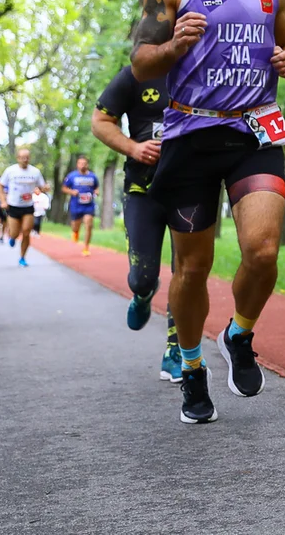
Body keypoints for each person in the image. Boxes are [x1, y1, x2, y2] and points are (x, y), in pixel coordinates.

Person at [130, 0, 285, 424]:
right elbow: (141, 62)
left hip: (255, 133)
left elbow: (284, 42)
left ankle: (240, 334)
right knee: (194, 267)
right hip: (191, 136)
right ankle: (194, 367)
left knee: (264, 251)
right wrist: (175, 44)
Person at [92, 65, 183, 383]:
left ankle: (176, 352)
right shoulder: (136, 72)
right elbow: (100, 121)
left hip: (190, 190)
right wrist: (134, 147)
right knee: (141, 277)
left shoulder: (203, 67)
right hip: (142, 190)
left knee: (186, 273)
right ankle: (144, 294)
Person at [0, 149, 48, 267]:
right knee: (14, 233)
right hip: (13, 205)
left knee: (26, 232)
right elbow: (0, 185)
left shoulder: (35, 172)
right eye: (22, 157)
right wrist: (3, 201)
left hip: (28, 206)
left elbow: (42, 186)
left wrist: (45, 188)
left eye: (27, 157)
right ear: (18, 158)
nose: (25, 160)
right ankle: (13, 237)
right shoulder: (11, 171)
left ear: (29, 158)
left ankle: (22, 258)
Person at [62, 156, 99, 255]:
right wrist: (71, 191)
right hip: (76, 205)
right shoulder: (72, 176)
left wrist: (96, 192)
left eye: (84, 163)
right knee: (75, 226)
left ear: (87, 164)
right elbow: (64, 188)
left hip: (89, 205)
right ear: (77, 164)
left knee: (88, 224)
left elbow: (96, 188)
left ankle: (86, 247)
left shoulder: (92, 176)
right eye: (80, 163)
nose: (82, 165)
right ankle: (75, 232)